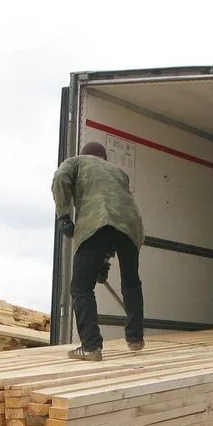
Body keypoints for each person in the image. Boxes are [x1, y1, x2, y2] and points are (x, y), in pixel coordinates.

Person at [52, 141, 145, 361]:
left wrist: (63, 215)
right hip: (131, 226)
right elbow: (114, 226)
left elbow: (59, 178)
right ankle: (135, 338)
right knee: (131, 283)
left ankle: (91, 346)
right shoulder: (118, 172)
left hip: (97, 222)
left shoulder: (76, 162)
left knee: (81, 288)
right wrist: (102, 263)